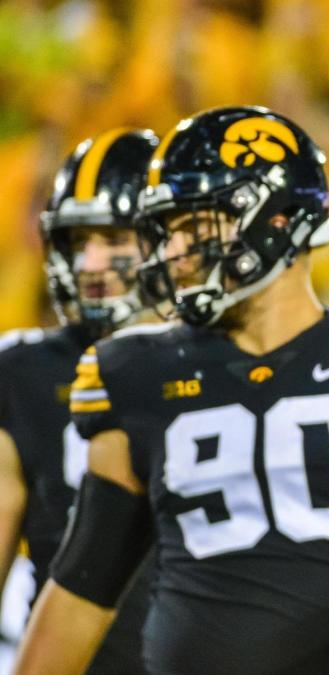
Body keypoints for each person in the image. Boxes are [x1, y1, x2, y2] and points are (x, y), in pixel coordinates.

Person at [14, 106, 329, 675]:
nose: (174, 253)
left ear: (279, 220)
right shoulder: (134, 372)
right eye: (168, 231)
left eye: (196, 226)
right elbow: (81, 588)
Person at [0, 128, 160, 675]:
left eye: (115, 238)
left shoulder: (228, 355)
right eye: (77, 241)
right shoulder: (21, 373)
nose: (91, 263)